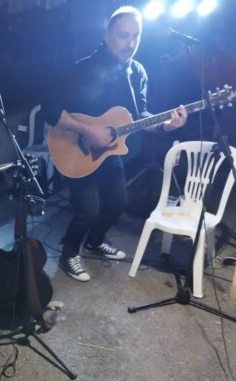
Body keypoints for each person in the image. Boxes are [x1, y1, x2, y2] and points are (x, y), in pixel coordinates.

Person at [42, 6, 188, 282]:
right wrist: (88, 130)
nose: (130, 43)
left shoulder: (137, 72)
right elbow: (49, 110)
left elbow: (140, 115)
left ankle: (94, 241)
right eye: (123, 35)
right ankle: (68, 253)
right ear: (107, 35)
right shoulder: (83, 70)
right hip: (75, 149)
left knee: (119, 202)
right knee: (87, 211)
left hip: (109, 151)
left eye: (135, 36)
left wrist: (165, 125)